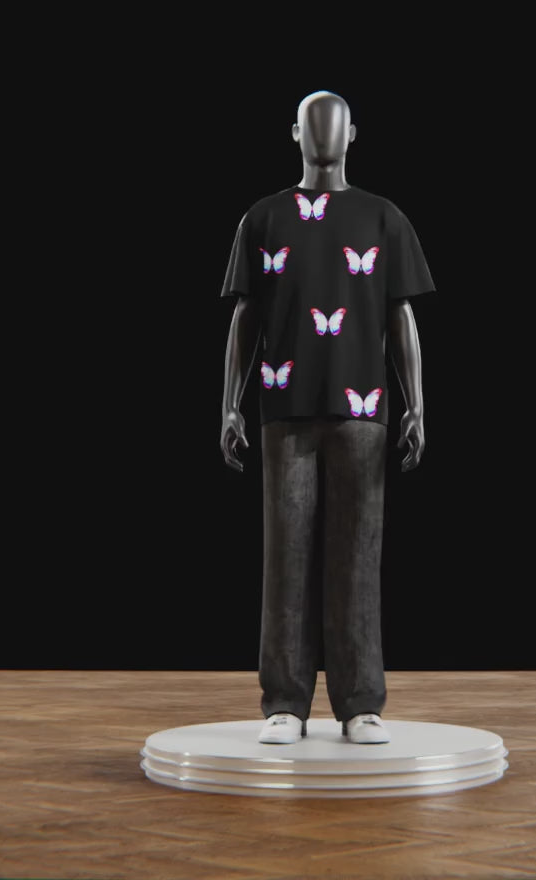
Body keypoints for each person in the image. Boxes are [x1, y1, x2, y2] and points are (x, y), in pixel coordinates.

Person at [219, 91, 434, 744]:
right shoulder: (264, 217)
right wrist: (229, 403)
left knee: (357, 558)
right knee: (284, 556)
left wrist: (417, 403)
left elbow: (401, 314)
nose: (324, 133)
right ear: (295, 133)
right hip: (284, 405)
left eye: (334, 123)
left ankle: (360, 703)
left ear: (352, 134)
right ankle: (284, 702)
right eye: (313, 123)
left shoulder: (382, 217)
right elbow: (245, 315)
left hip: (362, 405)